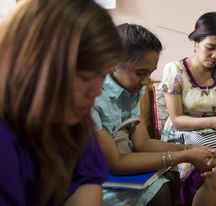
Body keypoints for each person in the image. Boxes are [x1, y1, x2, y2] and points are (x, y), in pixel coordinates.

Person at [0, 0, 123, 205]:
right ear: (32, 66)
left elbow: (87, 180)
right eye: (84, 77)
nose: (96, 92)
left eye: (102, 76)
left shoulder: (71, 118)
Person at [92, 23, 216, 206]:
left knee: (170, 179)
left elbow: (142, 143)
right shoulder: (92, 96)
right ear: (113, 62)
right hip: (99, 178)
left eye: (150, 73)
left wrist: (192, 150)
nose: (146, 82)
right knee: (161, 194)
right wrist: (185, 155)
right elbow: (116, 163)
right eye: (140, 73)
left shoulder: (132, 92)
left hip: (123, 172)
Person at [159, 12, 216, 205]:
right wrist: (213, 122)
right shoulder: (175, 71)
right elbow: (177, 119)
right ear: (195, 42)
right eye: (210, 48)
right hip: (184, 139)